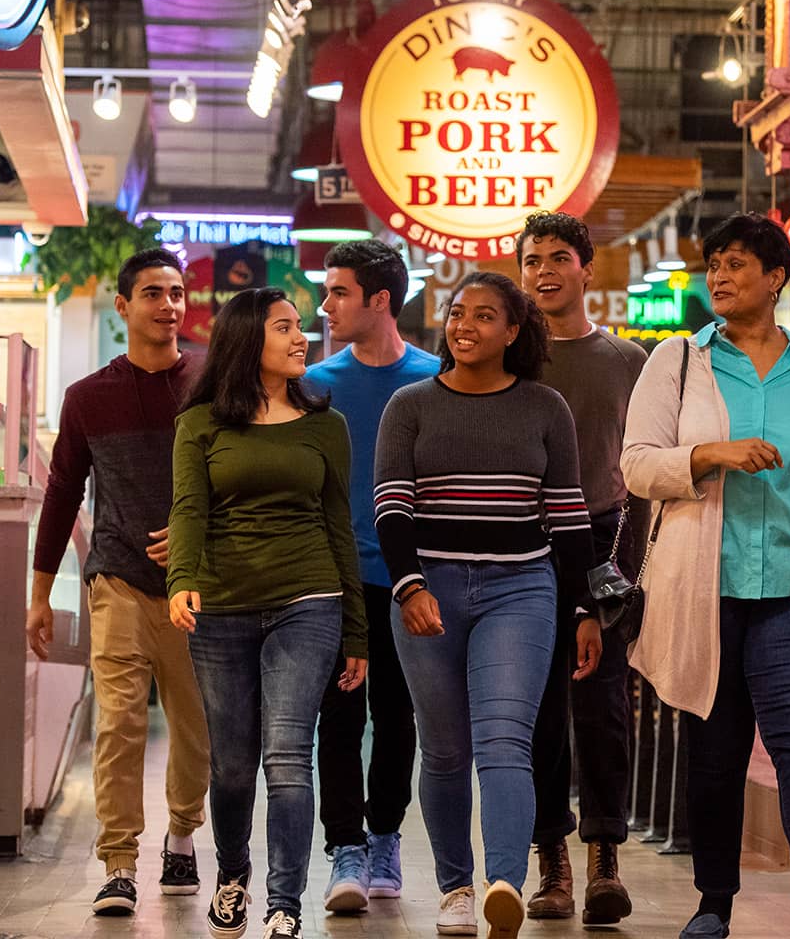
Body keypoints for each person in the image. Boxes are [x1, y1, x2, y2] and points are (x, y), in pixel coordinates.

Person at [620, 213, 790, 939]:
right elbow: (638, 464)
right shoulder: (677, 362)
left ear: (776, 278)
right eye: (714, 264)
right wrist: (710, 454)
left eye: (736, 263)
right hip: (704, 589)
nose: (719, 275)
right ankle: (713, 905)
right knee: (716, 748)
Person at [374, 271, 600, 939]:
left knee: (506, 741)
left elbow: (568, 517)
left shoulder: (544, 408)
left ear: (513, 330)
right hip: (429, 590)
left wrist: (585, 609)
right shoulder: (410, 405)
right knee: (443, 751)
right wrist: (409, 586)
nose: (464, 325)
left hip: (521, 590)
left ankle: (504, 882)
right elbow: (391, 507)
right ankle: (455, 889)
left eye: (483, 315)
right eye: (455, 312)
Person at [167, 287, 367, 939]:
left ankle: (286, 903)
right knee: (230, 764)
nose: (302, 336)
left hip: (307, 601)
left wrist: (356, 630)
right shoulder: (200, 425)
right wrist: (182, 579)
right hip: (220, 607)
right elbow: (189, 511)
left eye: (300, 325)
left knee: (287, 756)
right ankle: (233, 874)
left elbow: (340, 525)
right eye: (286, 327)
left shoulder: (325, 425)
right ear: (249, 338)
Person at [26, 248, 212, 916]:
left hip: (199, 588)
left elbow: (237, 482)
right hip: (118, 584)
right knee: (120, 724)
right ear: (124, 307)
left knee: (195, 727)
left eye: (176, 292)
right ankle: (119, 862)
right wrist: (41, 593)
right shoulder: (88, 398)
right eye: (154, 293)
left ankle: (183, 837)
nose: (169, 304)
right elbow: (60, 494)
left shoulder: (210, 387)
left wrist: (199, 539)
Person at [516, 211, 647, 925]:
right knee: (535, 713)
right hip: (522, 543)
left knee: (601, 711)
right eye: (531, 259)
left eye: (558, 257)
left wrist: (628, 572)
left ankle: (603, 855)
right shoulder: (509, 361)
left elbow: (646, 475)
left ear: (586, 269)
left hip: (603, 542)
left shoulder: (628, 361)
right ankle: (552, 860)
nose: (543, 270)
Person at [301, 240, 438, 914]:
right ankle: (345, 848)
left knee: (398, 716)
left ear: (380, 300)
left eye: (338, 293)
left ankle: (384, 836)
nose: (325, 307)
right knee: (338, 715)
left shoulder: (434, 380)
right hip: (334, 578)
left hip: (410, 578)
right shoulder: (316, 384)